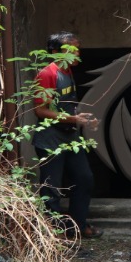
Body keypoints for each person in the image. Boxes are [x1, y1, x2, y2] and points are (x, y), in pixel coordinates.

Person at [32, 31, 103, 239]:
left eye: (77, 48)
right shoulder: (47, 74)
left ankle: (77, 226)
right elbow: (41, 111)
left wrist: (84, 118)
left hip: (70, 137)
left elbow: (66, 107)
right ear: (54, 52)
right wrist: (74, 119)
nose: (76, 53)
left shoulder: (68, 72)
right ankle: (53, 236)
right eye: (69, 49)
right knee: (51, 188)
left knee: (84, 179)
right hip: (50, 138)